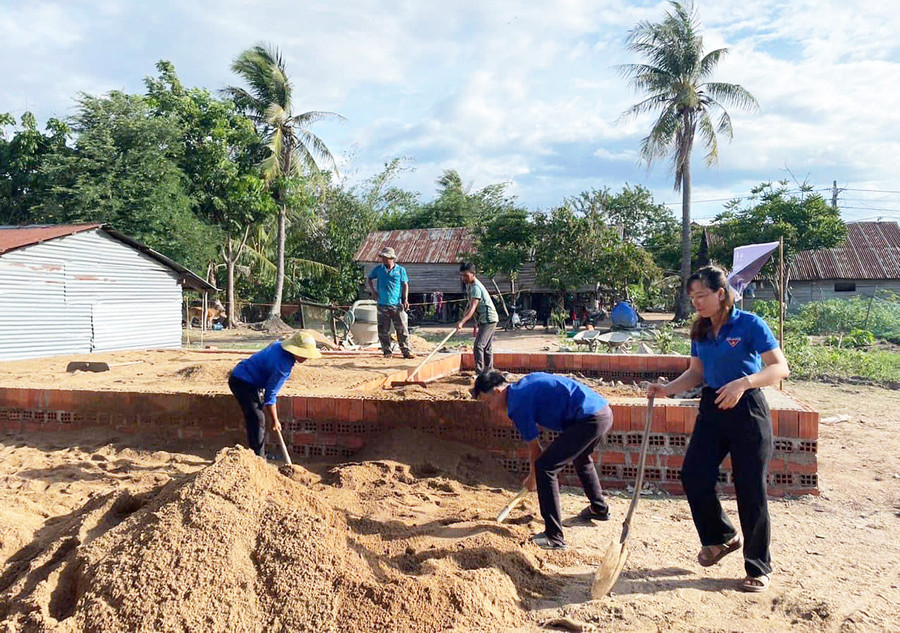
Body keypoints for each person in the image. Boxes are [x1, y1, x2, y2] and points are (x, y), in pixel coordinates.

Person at [647, 265, 789, 594]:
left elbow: (780, 368)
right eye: (692, 297)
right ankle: (721, 537)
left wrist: (744, 383)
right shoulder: (701, 331)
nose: (696, 302)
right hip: (712, 406)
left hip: (747, 407)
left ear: (720, 294)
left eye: (701, 295)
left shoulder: (750, 324)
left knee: (750, 487)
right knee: (694, 474)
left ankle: (758, 567)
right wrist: (666, 389)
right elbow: (696, 373)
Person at [472, 370, 614, 550]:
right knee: (581, 458)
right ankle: (599, 508)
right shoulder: (522, 387)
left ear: (498, 392)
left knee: (545, 468)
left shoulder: (517, 405)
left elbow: (535, 448)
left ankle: (554, 537)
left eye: (488, 402)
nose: (491, 408)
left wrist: (533, 477)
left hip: (589, 419)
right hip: (602, 412)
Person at [228, 330, 322, 457]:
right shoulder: (282, 367)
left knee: (256, 417)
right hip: (242, 381)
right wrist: (275, 421)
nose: (307, 358)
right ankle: (259, 458)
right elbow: (270, 396)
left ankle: (258, 453)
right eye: (304, 354)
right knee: (257, 418)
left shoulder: (279, 346)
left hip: (248, 378)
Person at [367, 247, 415, 359]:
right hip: (382, 304)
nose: (384, 260)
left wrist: (405, 299)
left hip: (396, 305)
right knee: (383, 330)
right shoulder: (378, 270)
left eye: (386, 258)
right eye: (383, 257)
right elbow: (369, 278)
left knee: (402, 329)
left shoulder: (400, 270)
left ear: (392, 258)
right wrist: (373, 291)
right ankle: (387, 351)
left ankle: (406, 351)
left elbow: (405, 284)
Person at [456, 262, 500, 373]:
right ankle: (489, 371)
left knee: (479, 345)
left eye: (466, 275)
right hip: (487, 319)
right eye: (462, 275)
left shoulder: (476, 288)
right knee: (487, 347)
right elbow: (468, 307)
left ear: (473, 274)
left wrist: (462, 322)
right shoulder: (471, 286)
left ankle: (480, 372)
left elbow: (472, 308)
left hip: (488, 319)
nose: (463, 278)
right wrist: (461, 320)